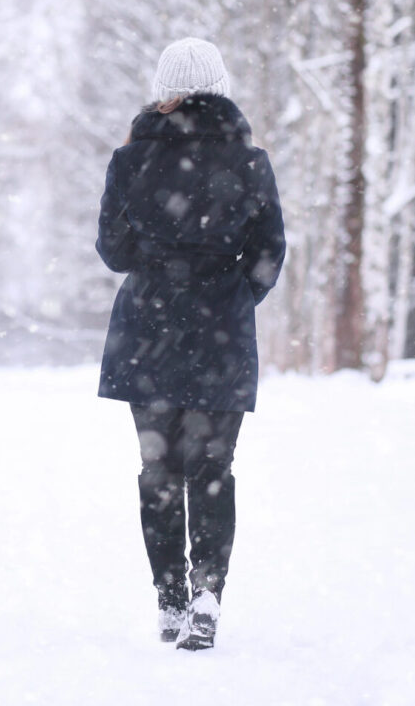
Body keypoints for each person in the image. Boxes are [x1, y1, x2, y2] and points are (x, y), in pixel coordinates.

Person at [95, 37, 285, 651]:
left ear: (163, 91)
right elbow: (268, 253)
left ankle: (170, 599)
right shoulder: (250, 161)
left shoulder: (130, 161)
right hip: (221, 338)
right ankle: (207, 595)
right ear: (221, 88)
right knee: (213, 472)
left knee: (159, 472)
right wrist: (228, 302)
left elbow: (113, 252)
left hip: (146, 335)